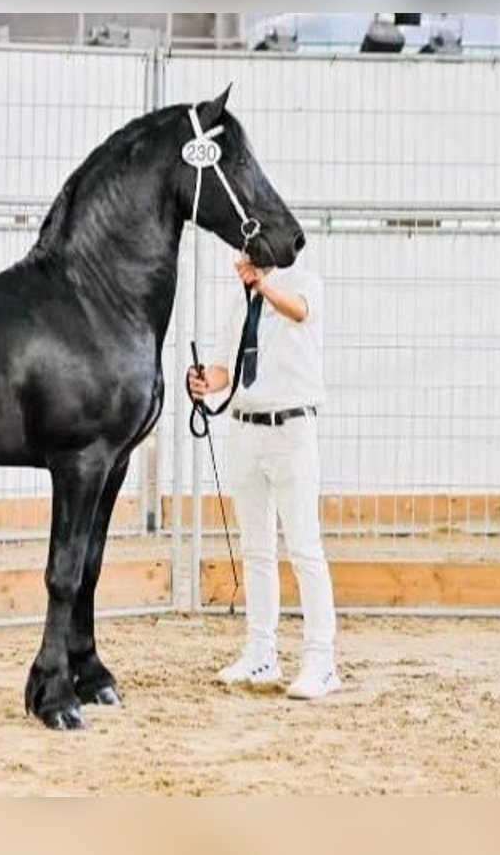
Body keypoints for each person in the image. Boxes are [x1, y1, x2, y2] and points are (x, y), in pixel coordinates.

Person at [187, 256, 340, 699]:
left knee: (304, 546)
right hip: (245, 429)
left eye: (249, 256)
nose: (240, 262)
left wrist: (262, 285)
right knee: (256, 549)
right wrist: (205, 382)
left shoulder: (302, 283)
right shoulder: (237, 302)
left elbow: (298, 310)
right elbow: (225, 367)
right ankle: (260, 653)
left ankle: (321, 659)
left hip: (292, 429)